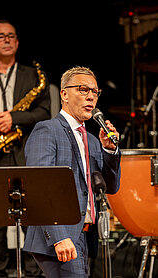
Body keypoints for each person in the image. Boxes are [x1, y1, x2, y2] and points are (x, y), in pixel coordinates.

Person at [23, 66, 121, 278]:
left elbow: (110, 186)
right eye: (83, 90)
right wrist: (59, 237)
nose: (91, 97)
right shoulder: (48, 130)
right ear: (64, 94)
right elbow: (40, 186)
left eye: (95, 92)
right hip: (60, 237)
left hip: (85, 236)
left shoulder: (94, 141)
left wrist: (110, 150)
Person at [0, 19, 51, 277]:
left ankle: (32, 272)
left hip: (25, 153)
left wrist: (14, 118)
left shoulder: (33, 75)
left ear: (17, 42)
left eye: (11, 36)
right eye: (0, 36)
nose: (6, 39)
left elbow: (44, 112)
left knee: (32, 218)